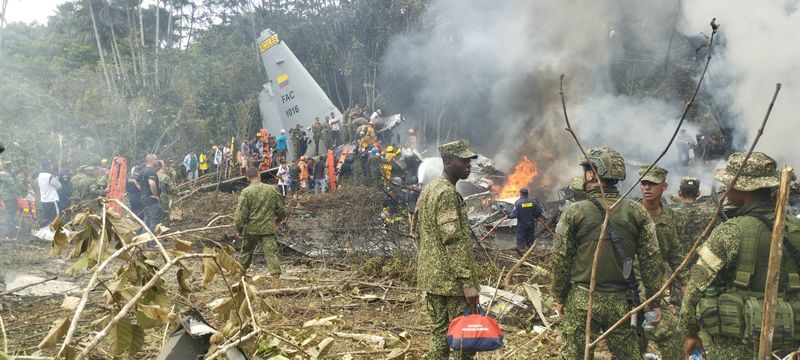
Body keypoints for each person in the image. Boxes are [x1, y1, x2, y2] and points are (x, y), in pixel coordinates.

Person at [681, 152, 800, 358]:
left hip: (735, 346)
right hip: (788, 345)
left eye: (730, 184)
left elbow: (696, 285)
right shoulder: (796, 228)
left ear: (745, 188)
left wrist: (690, 332)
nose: (726, 189)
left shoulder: (730, 230)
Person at [551, 147, 664, 359]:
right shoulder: (636, 211)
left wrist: (560, 295)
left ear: (593, 173)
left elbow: (560, 259)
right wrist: (653, 300)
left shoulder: (575, 212)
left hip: (584, 300)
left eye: (586, 169)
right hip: (623, 302)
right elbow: (652, 260)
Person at [413, 139, 480, 360]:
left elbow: (416, 231)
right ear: (448, 162)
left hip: (432, 279)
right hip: (452, 284)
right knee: (463, 340)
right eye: (463, 161)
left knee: (440, 334)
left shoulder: (429, 190)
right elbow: (453, 242)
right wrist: (468, 284)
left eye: (469, 161)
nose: (469, 166)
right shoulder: (447, 194)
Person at [637, 165, 683, 360]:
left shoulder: (669, 215)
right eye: (644, 183)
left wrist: (684, 281)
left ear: (664, 186)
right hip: (633, 282)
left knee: (662, 333)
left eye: (652, 184)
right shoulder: (632, 213)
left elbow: (674, 252)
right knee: (650, 331)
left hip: (655, 284)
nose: (647, 188)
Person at [235, 167, 286, 286]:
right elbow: (281, 210)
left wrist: (239, 229)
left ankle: (240, 279)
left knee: (246, 253)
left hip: (251, 230)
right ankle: (276, 282)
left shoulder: (246, 192)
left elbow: (240, 215)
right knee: (271, 254)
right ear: (259, 175)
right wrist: (278, 221)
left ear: (248, 178)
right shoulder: (271, 190)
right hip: (268, 229)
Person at [673, 177, 718, 256]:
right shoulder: (711, 213)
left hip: (679, 262)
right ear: (698, 194)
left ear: (679, 193)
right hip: (702, 261)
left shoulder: (671, 214)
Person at [507, 188, 543, 255]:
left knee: (521, 238)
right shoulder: (533, 202)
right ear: (527, 194)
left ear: (520, 194)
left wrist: (509, 216)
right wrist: (534, 216)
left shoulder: (518, 202)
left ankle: (521, 252)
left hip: (522, 225)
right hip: (531, 223)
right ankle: (530, 251)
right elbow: (539, 211)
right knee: (530, 238)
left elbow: (515, 214)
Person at [137, 154, 162, 235]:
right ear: (152, 161)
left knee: (147, 221)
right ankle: (151, 242)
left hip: (144, 198)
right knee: (154, 221)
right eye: (156, 159)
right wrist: (155, 195)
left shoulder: (142, 171)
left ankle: (146, 240)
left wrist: (143, 191)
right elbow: (152, 184)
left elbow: (136, 182)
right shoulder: (151, 171)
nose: (157, 161)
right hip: (151, 199)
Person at [37, 160, 62, 227]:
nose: (52, 167)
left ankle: (41, 230)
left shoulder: (40, 175)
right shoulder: (49, 176)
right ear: (48, 167)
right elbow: (59, 186)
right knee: (55, 219)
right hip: (52, 200)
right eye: (51, 166)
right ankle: (55, 234)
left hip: (44, 200)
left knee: (46, 218)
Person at [155, 161, 174, 227]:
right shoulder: (165, 177)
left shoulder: (151, 175)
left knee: (156, 212)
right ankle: (165, 227)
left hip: (153, 197)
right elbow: (171, 189)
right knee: (165, 212)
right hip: (163, 196)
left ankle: (156, 226)